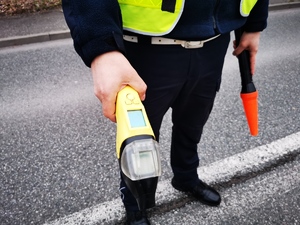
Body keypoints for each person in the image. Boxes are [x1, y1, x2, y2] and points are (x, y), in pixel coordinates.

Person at [62, 0, 269, 224]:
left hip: (213, 43)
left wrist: (254, 24)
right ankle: (135, 206)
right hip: (146, 47)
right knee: (139, 140)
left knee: (193, 122)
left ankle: (186, 177)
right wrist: (101, 46)